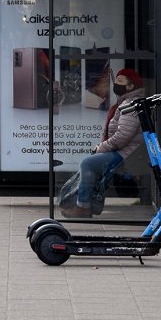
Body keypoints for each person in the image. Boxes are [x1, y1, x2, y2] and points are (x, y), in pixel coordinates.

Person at [66, 68, 147, 216]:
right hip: (125, 150)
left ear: (131, 86)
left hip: (127, 153)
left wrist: (102, 147)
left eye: (120, 81)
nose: (116, 83)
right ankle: (89, 205)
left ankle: (83, 207)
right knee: (92, 163)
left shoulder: (130, 104)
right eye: (115, 80)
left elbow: (123, 136)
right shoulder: (125, 102)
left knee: (88, 163)